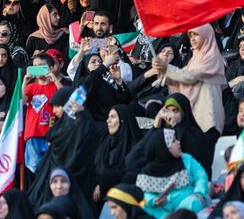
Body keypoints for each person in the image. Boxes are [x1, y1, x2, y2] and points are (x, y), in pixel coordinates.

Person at [154, 23, 227, 173]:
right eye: (190, 35)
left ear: (206, 35)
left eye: (196, 34)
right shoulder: (194, 60)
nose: (192, 39)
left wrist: (167, 68)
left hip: (208, 118)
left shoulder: (212, 56)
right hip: (195, 119)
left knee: (205, 162)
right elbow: (181, 80)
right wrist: (164, 72)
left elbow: (190, 77)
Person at [135, 128, 209, 218]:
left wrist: (199, 192)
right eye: (173, 141)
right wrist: (154, 201)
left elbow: (201, 177)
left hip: (185, 205)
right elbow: (143, 194)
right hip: (163, 210)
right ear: (164, 148)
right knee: (144, 207)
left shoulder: (186, 159)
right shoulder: (147, 172)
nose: (178, 142)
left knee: (193, 202)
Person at [92, 105, 142, 207]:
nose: (108, 121)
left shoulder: (135, 146)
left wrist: (103, 183)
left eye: (113, 117)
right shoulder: (105, 143)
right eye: (108, 117)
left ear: (123, 120)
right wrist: (97, 184)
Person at [23, 53, 64, 173]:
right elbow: (22, 100)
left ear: (51, 68)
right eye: (35, 66)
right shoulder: (31, 87)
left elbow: (64, 98)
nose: (37, 68)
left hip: (51, 135)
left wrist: (55, 79)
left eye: (41, 65)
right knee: (33, 168)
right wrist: (24, 82)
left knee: (52, 169)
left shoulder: (54, 86)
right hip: (33, 134)